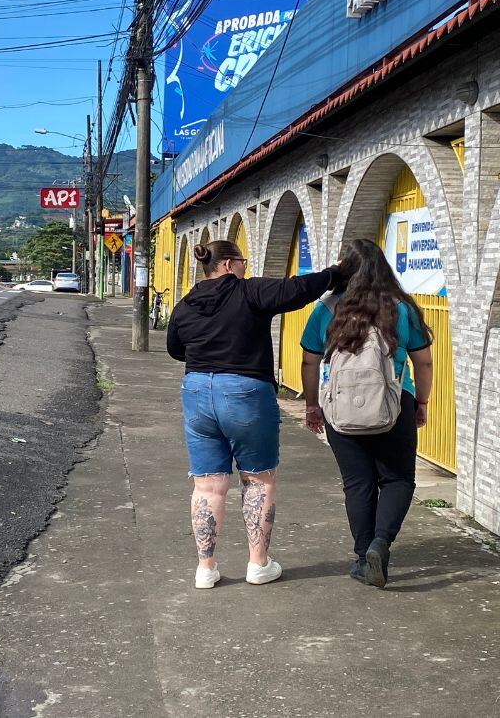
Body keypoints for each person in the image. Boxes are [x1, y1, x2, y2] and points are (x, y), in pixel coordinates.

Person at [166, 239, 338, 590]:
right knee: (258, 479)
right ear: (229, 265)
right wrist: (337, 272)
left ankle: (205, 569)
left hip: (196, 391)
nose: (246, 267)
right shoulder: (249, 292)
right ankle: (258, 564)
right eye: (243, 261)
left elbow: (174, 348)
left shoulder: (186, 304)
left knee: (208, 484)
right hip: (245, 392)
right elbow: (298, 290)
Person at [300, 239, 433, 589]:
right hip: (394, 404)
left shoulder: (327, 308)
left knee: (357, 484)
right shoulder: (401, 309)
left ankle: (363, 558)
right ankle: (380, 544)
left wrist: (313, 405)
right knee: (398, 479)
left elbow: (309, 360)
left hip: (340, 409)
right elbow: (423, 361)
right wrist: (420, 402)